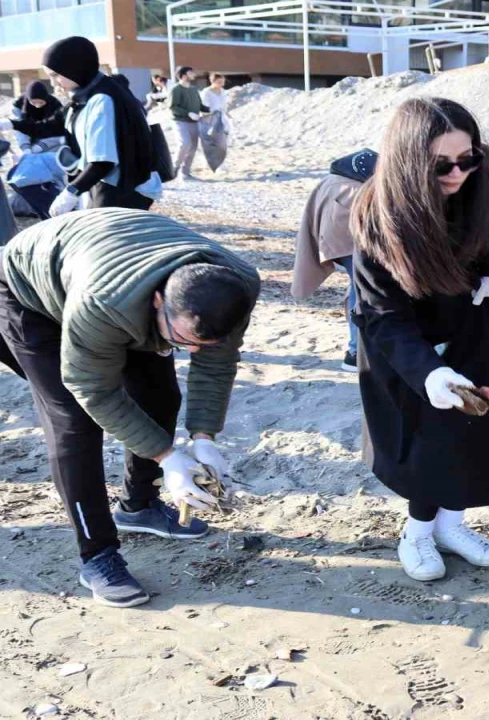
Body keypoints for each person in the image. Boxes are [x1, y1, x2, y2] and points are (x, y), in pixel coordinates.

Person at [0, 209, 261, 608]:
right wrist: (168, 456)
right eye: (182, 339)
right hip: (30, 292)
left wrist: (204, 436)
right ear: (160, 302)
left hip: (116, 265)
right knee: (74, 423)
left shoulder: (236, 285)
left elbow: (218, 360)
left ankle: (139, 505)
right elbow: (92, 389)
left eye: (199, 344)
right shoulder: (104, 304)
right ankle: (97, 556)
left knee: (160, 395)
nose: (190, 351)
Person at [350, 98, 489, 583]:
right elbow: (384, 316)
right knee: (431, 441)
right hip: (411, 347)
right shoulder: (378, 219)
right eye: (441, 165)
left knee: (477, 428)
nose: (458, 173)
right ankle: (415, 534)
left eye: (467, 158)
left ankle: (452, 526)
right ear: (410, 162)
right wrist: (428, 371)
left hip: (475, 324)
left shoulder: (476, 177)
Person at [8, 37, 161, 212]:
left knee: (105, 238)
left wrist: (70, 193)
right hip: (105, 184)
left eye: (55, 75)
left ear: (73, 68)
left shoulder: (102, 100)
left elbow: (103, 162)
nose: (52, 83)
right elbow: (52, 126)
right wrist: (10, 124)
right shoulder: (85, 96)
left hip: (122, 190)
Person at [292, 148, 378, 372]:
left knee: (360, 284)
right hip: (348, 211)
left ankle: (357, 350)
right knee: (364, 285)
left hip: (337, 202)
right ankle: (356, 352)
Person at [170, 65, 208, 180]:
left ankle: (185, 172)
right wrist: (188, 113)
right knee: (185, 144)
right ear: (183, 75)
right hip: (180, 121)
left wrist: (210, 109)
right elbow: (173, 106)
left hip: (194, 123)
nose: (193, 74)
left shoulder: (193, 89)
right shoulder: (176, 89)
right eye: (191, 72)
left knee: (193, 147)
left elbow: (200, 105)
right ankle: (174, 168)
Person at [9, 81, 63, 155]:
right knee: (19, 126)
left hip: (47, 132)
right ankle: (26, 149)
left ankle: (40, 146)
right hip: (29, 128)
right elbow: (21, 125)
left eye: (41, 102)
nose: (37, 106)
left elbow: (56, 128)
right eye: (33, 103)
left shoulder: (54, 104)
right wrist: (25, 146)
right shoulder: (20, 104)